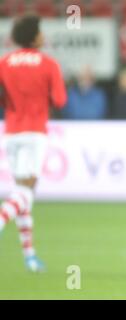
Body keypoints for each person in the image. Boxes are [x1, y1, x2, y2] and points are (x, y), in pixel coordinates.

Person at [0, 14, 67, 272]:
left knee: (22, 192)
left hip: (12, 132)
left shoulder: (4, 63)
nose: (43, 36)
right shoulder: (48, 64)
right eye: (40, 31)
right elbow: (60, 101)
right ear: (34, 35)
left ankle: (30, 256)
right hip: (34, 133)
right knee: (26, 191)